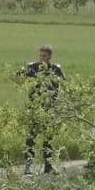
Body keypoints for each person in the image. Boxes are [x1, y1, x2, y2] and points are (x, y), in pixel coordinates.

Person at [18, 44, 66, 174]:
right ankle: (28, 166)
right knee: (31, 138)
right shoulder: (32, 67)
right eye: (40, 55)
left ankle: (48, 166)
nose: (42, 58)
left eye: (44, 56)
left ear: (50, 56)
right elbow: (17, 77)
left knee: (48, 138)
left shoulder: (56, 69)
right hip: (34, 108)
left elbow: (63, 86)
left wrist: (58, 103)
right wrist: (24, 83)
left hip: (49, 109)